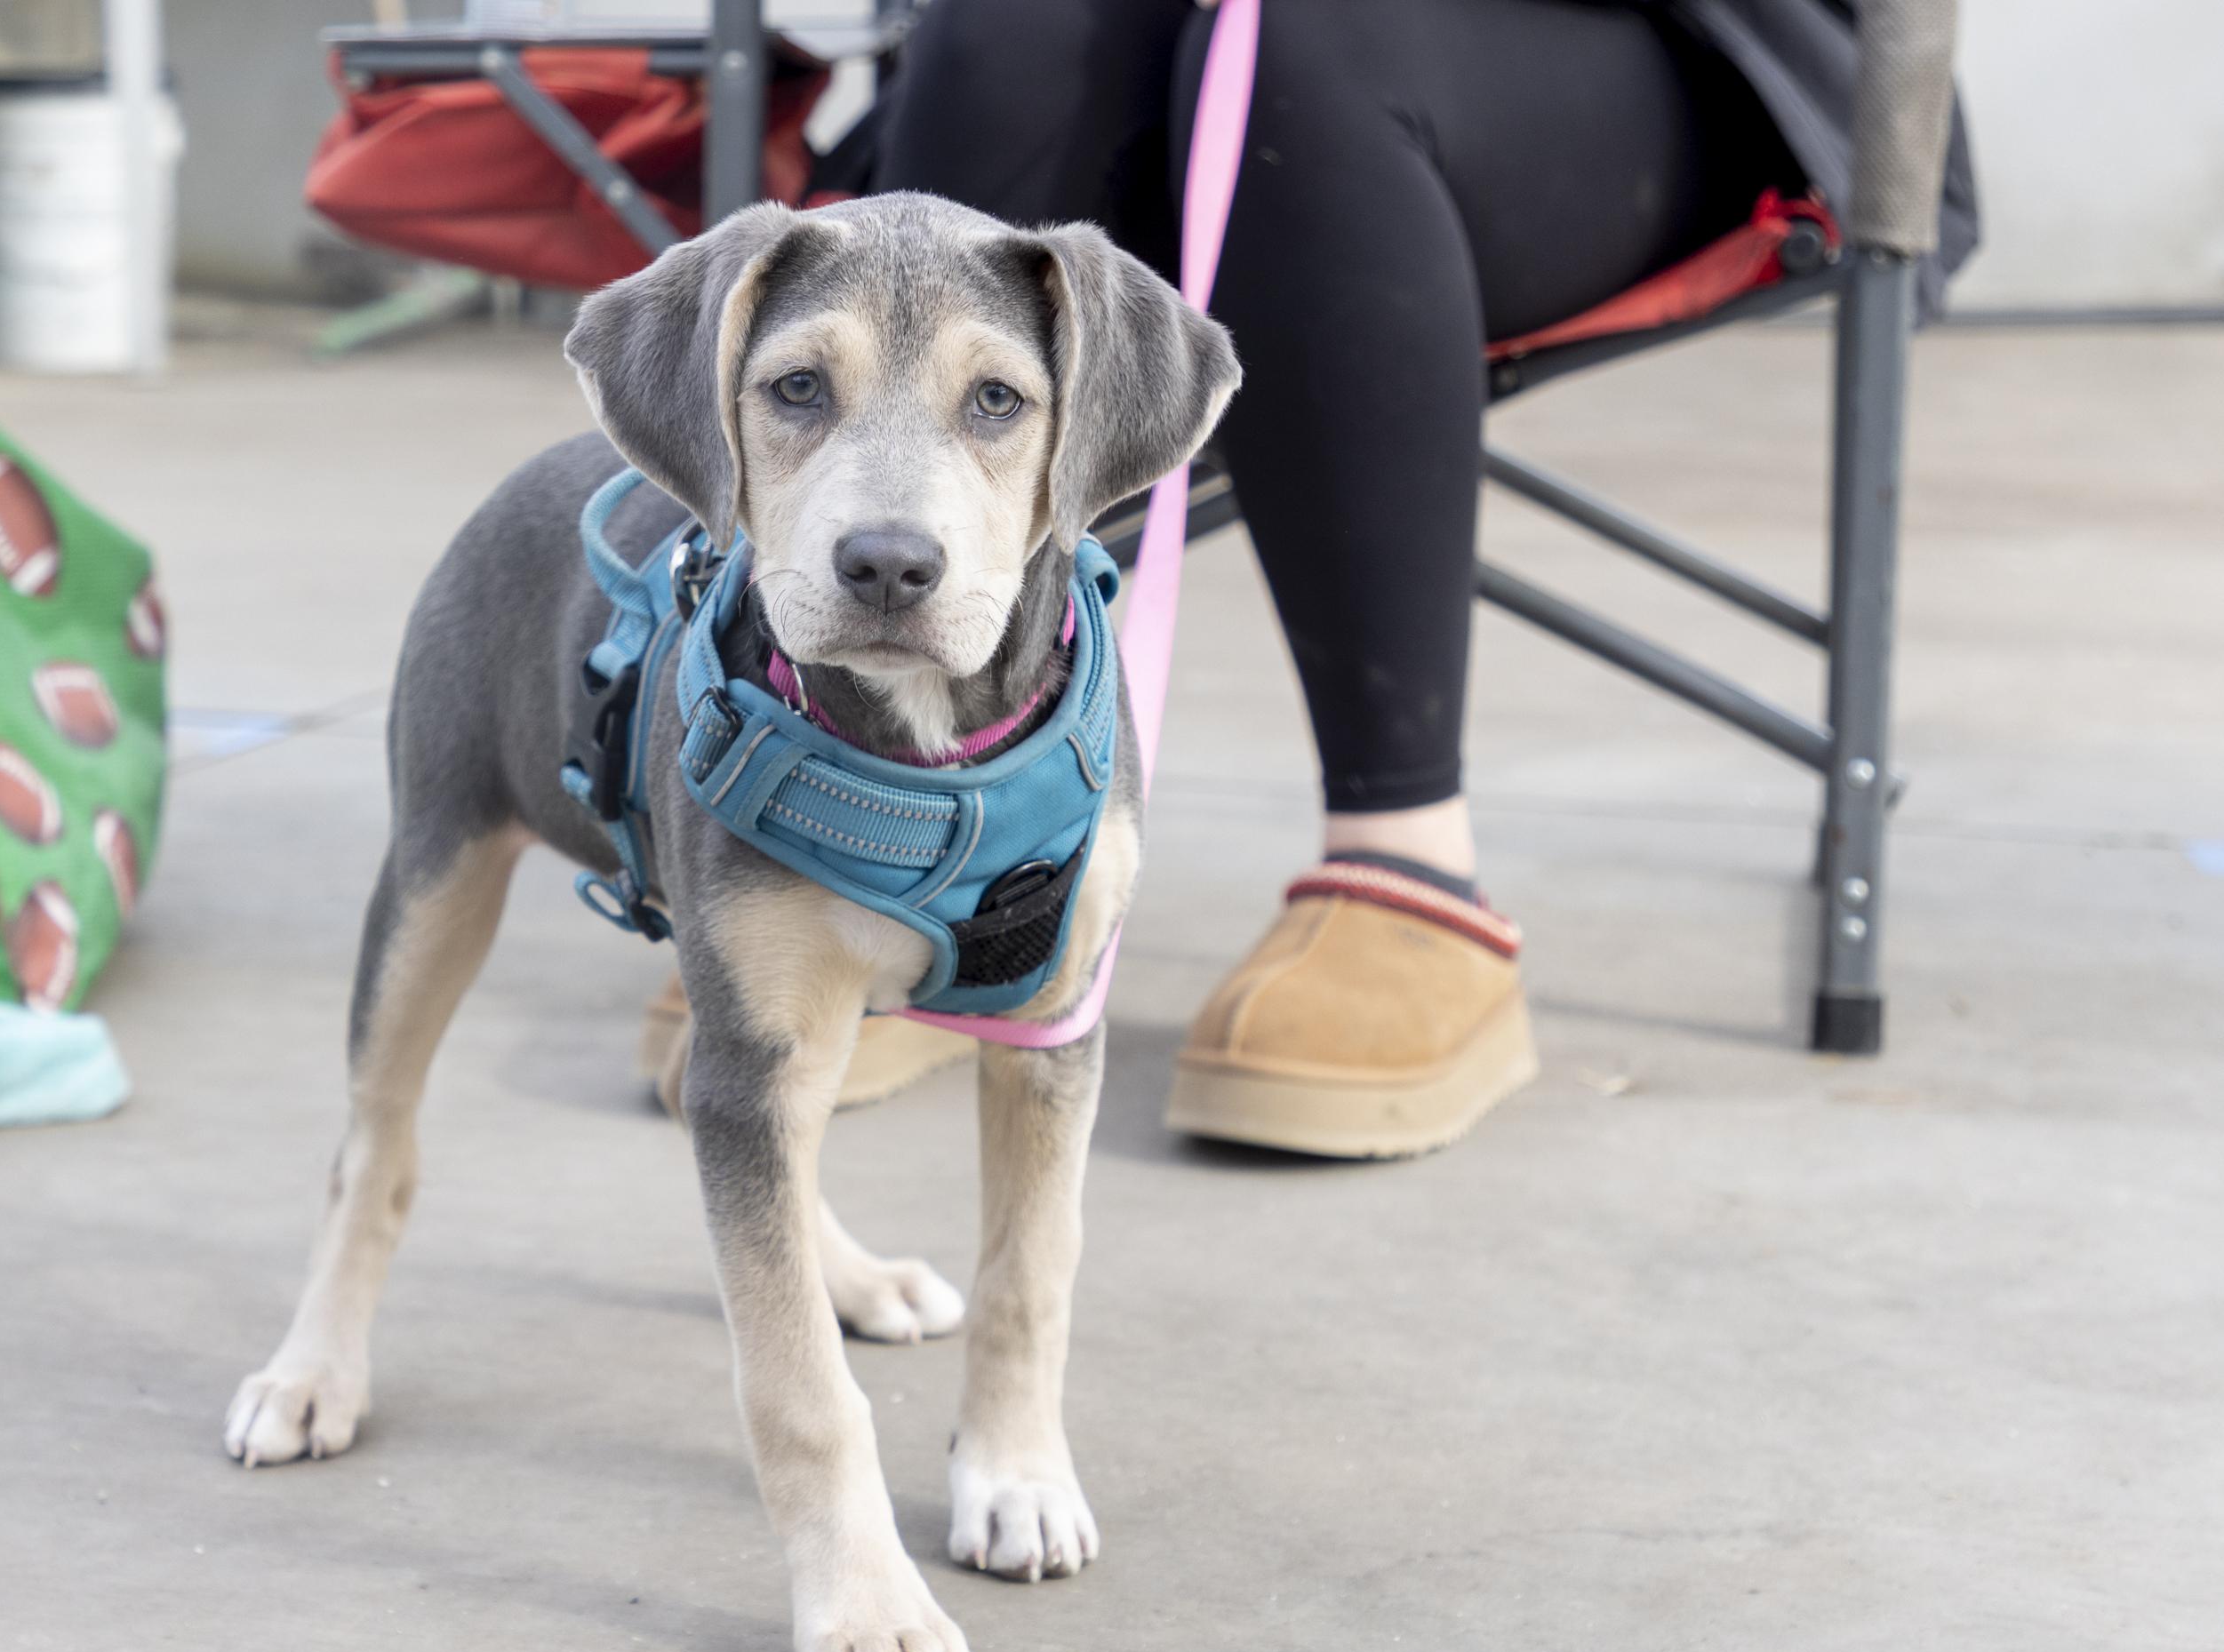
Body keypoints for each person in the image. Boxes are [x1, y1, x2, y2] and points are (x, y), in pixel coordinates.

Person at [833, 0, 1978, 1156]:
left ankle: (1410, 861)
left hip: (1655, 58)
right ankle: (933, 860)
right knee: (1007, 32)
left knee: (1308, 50)